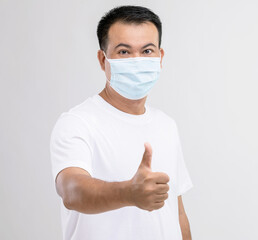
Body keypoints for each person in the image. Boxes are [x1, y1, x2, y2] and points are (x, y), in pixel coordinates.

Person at [50, 5, 193, 240]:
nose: (137, 60)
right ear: (102, 59)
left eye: (147, 51)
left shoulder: (166, 125)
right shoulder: (77, 123)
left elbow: (176, 213)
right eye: (124, 52)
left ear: (160, 57)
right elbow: (71, 192)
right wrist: (129, 193)